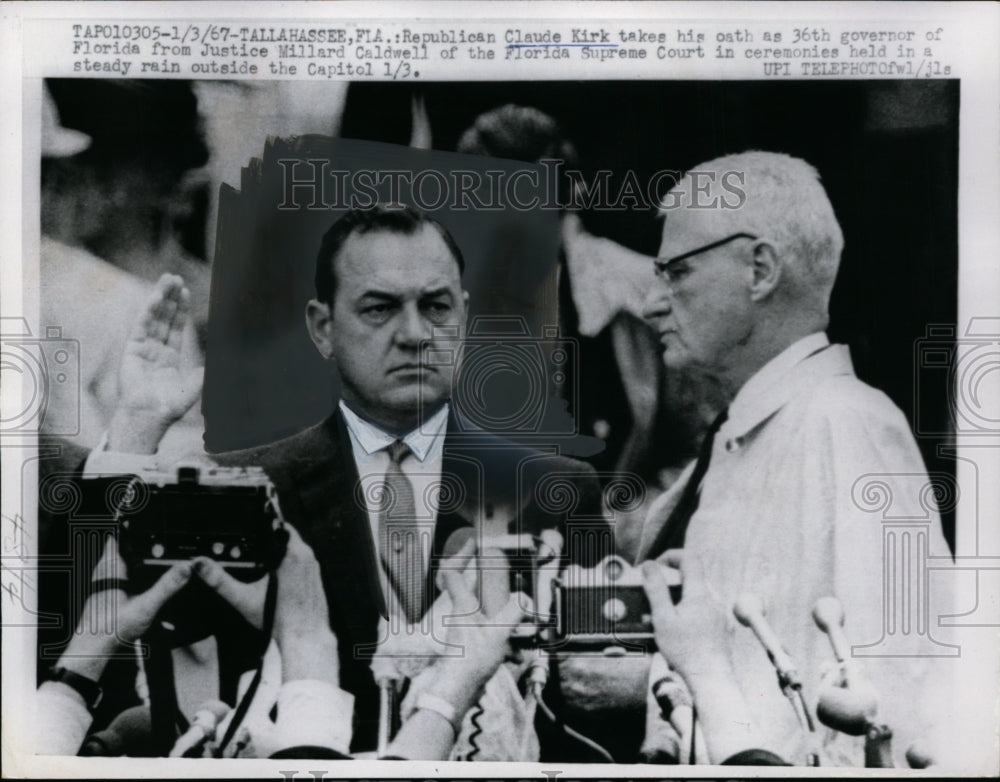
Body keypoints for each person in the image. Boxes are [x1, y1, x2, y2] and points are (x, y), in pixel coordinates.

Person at [100, 204, 608, 754]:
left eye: (435, 306)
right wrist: (133, 433)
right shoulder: (246, 487)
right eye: (379, 309)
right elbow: (109, 623)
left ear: (462, 315)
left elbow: (590, 698)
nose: (414, 334)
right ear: (323, 328)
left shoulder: (553, 490)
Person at [636, 151, 955, 766]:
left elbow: (893, 714)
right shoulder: (750, 432)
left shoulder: (847, 423)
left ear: (760, 269)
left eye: (675, 271)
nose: (653, 301)